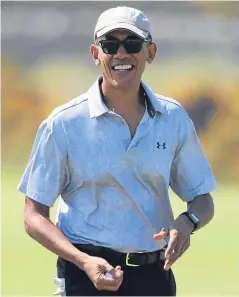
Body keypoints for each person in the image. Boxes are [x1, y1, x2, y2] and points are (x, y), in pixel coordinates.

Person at [18, 6, 216, 296]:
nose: (121, 53)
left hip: (155, 277)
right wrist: (82, 260)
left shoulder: (173, 119)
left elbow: (202, 199)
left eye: (132, 43)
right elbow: (33, 215)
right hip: (83, 276)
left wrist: (187, 222)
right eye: (110, 45)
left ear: (151, 51)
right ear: (95, 54)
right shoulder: (62, 123)